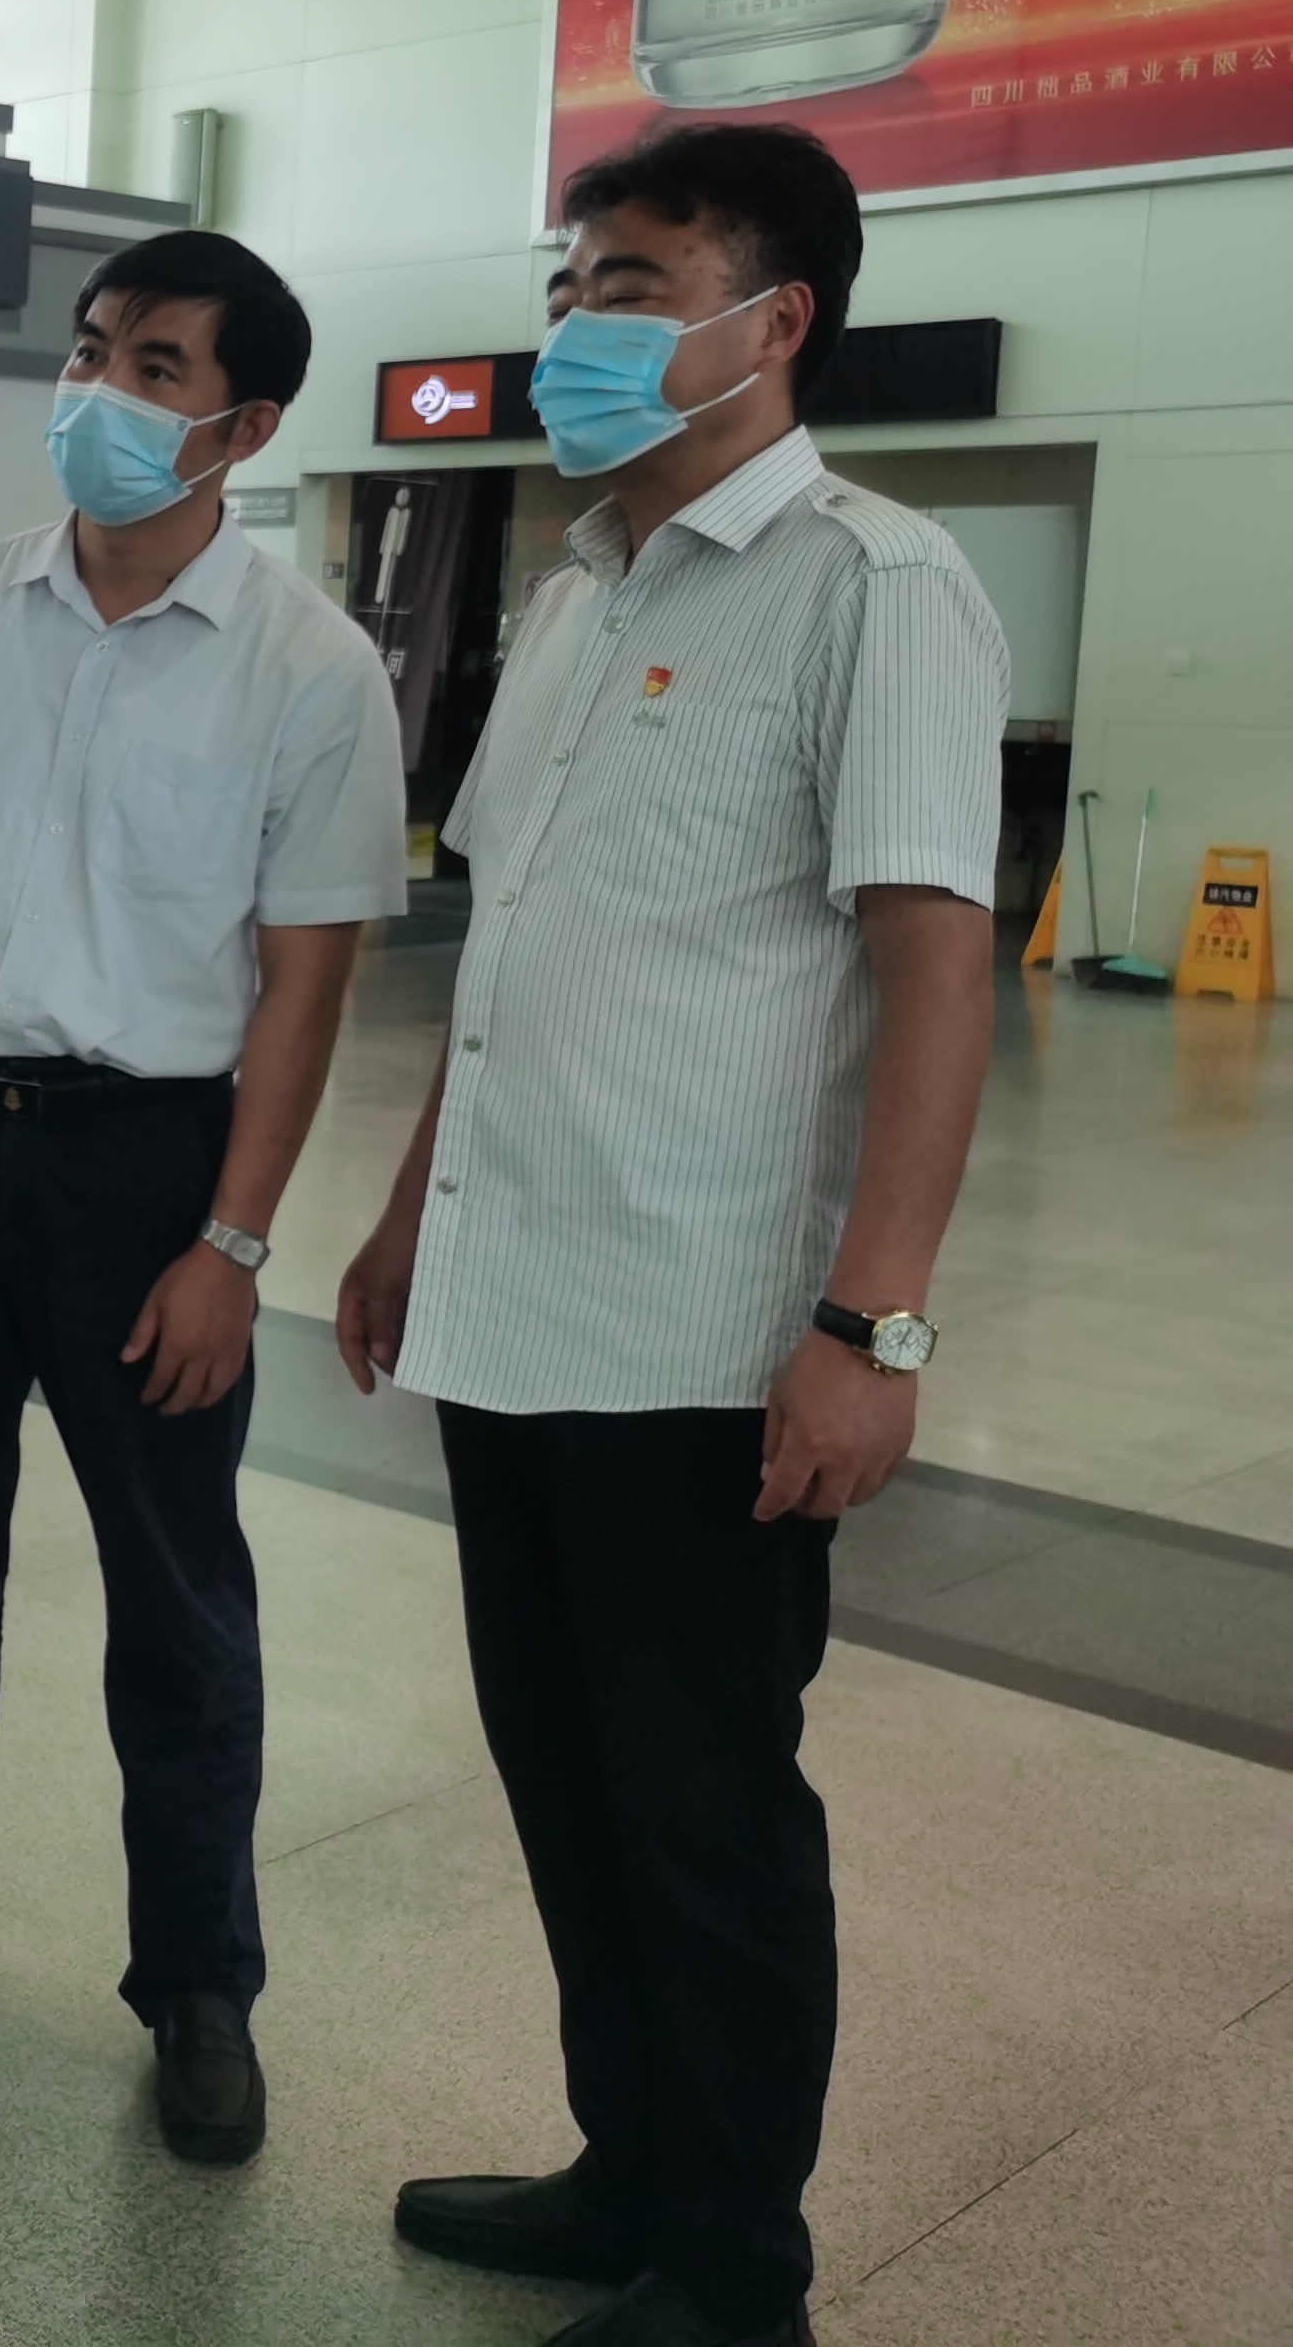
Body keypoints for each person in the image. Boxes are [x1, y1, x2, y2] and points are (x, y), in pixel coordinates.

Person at [337, 123, 1004, 2347]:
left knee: (705, 1816)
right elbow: (515, 950)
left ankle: (734, 2273)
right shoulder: (574, 595)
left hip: (701, 1338)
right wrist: (410, 1216)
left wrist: (873, 1329)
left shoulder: (877, 586)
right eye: (574, 284)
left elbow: (935, 969)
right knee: (568, 1785)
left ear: (774, 320)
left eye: (633, 284)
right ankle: (627, 2173)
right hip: (512, 1302)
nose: (581, 325)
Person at [0, 230, 405, 2165]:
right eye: (94, 350)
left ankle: (198, 1982)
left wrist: (230, 1242)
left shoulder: (311, 669)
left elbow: (305, 985)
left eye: (156, 369)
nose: (102, 394)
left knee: (173, 1591)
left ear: (244, 425)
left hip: (148, 1170)